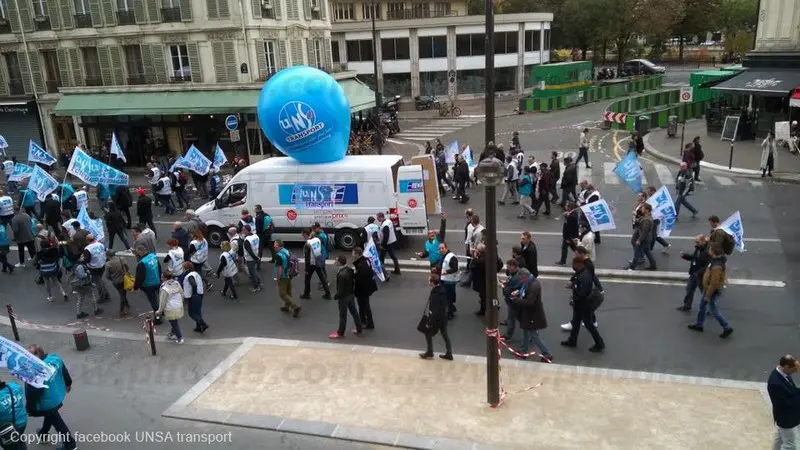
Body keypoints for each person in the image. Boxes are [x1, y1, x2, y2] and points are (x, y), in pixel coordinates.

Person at [25, 345, 76, 450]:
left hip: (47, 402)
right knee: (51, 416)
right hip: (57, 394)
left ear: (37, 355)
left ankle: (70, 445)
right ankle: (43, 434)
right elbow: (64, 370)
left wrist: (29, 408)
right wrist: (68, 384)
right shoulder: (54, 359)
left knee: (57, 421)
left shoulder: (36, 372)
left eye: (29, 356)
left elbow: (33, 393)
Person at [688, 247, 734, 338]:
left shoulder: (717, 266)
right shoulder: (714, 261)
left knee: (713, 310)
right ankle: (699, 324)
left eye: (710, 250)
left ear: (713, 252)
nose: (708, 251)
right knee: (702, 306)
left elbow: (714, 283)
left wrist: (708, 295)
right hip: (707, 288)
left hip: (711, 290)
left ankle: (726, 327)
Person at [561, 257, 605, 352]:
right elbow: (575, 280)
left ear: (579, 264)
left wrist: (573, 288)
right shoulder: (581, 272)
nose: (573, 266)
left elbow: (582, 293)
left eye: (574, 264)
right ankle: (572, 340)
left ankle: (599, 343)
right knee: (576, 323)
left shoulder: (584, 276)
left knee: (589, 325)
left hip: (584, 305)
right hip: (579, 305)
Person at [511, 268, 552, 362]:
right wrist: (518, 292)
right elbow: (524, 291)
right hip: (528, 313)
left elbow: (530, 302)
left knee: (533, 335)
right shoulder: (529, 281)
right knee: (525, 331)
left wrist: (516, 300)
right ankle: (523, 350)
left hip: (533, 314)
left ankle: (547, 354)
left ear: (525, 276)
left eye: (521, 279)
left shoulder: (534, 285)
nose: (521, 281)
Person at [767, 355, 800, 450]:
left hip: (785, 417)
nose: (795, 371)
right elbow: (786, 403)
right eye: (794, 369)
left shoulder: (783, 374)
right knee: (790, 445)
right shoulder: (775, 382)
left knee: (779, 439)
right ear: (786, 367)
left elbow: (792, 391)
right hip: (786, 418)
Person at [419, 273, 453, 361]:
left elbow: (435, 310)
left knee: (427, 333)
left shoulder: (435, 293)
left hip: (437, 319)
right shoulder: (441, 289)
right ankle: (449, 353)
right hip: (443, 317)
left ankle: (429, 352)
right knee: (444, 334)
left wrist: (430, 322)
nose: (428, 281)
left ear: (432, 283)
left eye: (429, 280)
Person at [329, 256, 362, 339]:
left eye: (336, 261)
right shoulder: (350, 270)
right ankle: (359, 328)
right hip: (350, 294)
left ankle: (340, 332)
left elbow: (341, 290)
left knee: (343, 315)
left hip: (343, 297)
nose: (335, 262)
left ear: (340, 262)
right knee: (354, 312)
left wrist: (336, 296)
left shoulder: (341, 275)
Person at [676, 235, 710, 312]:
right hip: (694, 273)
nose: (696, 244)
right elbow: (694, 258)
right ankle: (687, 306)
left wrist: (699, 273)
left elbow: (707, 265)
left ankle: (710, 309)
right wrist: (685, 256)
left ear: (703, 241)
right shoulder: (698, 248)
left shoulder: (707, 252)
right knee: (689, 290)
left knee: (704, 292)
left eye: (698, 242)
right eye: (696, 242)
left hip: (701, 276)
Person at [133, 244, 162, 324]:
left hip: (149, 285)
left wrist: (135, 287)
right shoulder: (153, 256)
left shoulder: (142, 263)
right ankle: (161, 312)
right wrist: (159, 278)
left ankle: (158, 318)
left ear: (140, 252)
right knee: (158, 299)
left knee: (154, 303)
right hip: (157, 281)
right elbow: (159, 268)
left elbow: (140, 278)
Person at [300, 229, 331, 300]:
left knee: (307, 280)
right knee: (322, 278)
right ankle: (328, 294)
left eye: (302, 235)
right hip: (318, 261)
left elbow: (307, 258)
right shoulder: (317, 239)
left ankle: (306, 294)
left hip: (311, 264)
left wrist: (306, 268)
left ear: (305, 234)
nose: (302, 236)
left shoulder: (307, 244)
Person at [274, 240, 301, 317]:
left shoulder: (279, 255)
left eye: (275, 245)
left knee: (282, 293)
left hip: (283, 276)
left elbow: (279, 268)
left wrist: (278, 278)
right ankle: (286, 306)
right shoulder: (287, 251)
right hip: (290, 274)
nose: (274, 247)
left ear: (279, 246)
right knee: (288, 291)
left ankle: (295, 307)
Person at [352, 246, 377, 330]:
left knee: (364, 306)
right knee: (364, 306)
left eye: (353, 253)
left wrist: (354, 275)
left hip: (362, 289)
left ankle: (368, 322)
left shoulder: (361, 265)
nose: (352, 254)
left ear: (357, 254)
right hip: (367, 287)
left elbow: (360, 278)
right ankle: (363, 320)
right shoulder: (366, 260)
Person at [81, 234, 111, 304]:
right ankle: (106, 294)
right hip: (102, 265)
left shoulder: (87, 248)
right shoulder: (100, 244)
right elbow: (106, 251)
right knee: (99, 280)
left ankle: (102, 297)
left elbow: (87, 260)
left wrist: (82, 260)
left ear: (87, 240)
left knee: (98, 282)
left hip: (94, 267)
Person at [157, 272, 185, 343]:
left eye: (162, 277)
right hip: (178, 306)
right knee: (175, 320)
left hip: (170, 308)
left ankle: (180, 338)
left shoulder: (164, 288)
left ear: (165, 278)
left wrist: (159, 311)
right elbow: (182, 293)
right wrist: (181, 302)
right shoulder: (176, 283)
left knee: (174, 323)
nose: (161, 278)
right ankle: (172, 333)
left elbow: (162, 301)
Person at [627, 203, 656, 271]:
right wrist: (636, 216)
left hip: (644, 239)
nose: (641, 209)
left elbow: (644, 232)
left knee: (637, 253)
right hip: (646, 239)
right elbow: (639, 223)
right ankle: (653, 265)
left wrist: (639, 240)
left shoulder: (647, 220)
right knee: (647, 252)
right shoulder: (646, 217)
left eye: (643, 208)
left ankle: (632, 267)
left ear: (647, 210)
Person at [0, 377, 27, 449]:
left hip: (6, 429)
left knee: (11, 446)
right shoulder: (15, 386)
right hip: (22, 422)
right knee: (19, 440)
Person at [182, 261, 208, 334]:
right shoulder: (196, 273)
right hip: (200, 294)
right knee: (197, 312)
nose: (182, 269)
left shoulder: (190, 276)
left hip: (194, 296)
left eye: (183, 268)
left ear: (187, 269)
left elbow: (194, 284)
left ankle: (202, 323)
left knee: (191, 313)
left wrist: (194, 294)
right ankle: (199, 327)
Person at [105, 251, 131, 316]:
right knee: (123, 292)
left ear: (108, 256)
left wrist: (112, 279)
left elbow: (107, 276)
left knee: (122, 294)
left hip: (116, 282)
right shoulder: (121, 259)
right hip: (124, 279)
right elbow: (127, 267)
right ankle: (126, 303)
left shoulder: (108, 264)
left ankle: (121, 310)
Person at [438, 242, 459, 320]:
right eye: (439, 249)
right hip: (444, 279)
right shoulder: (444, 256)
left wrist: (447, 272)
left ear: (446, 248)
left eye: (442, 248)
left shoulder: (452, 257)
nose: (441, 250)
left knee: (448, 297)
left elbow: (455, 268)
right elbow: (442, 265)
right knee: (445, 296)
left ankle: (450, 313)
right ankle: (452, 309)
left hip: (449, 280)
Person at [376, 212, 401, 277]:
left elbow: (386, 236)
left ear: (381, 217)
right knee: (393, 256)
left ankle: (383, 273)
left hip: (387, 243)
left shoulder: (385, 225)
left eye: (377, 217)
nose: (377, 219)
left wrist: (382, 245)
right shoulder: (388, 221)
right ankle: (397, 270)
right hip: (392, 241)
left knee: (381, 258)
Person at [242, 225, 261, 292]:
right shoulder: (256, 236)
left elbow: (249, 251)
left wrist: (255, 258)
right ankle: (258, 282)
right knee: (254, 271)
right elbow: (259, 246)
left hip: (250, 258)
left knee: (252, 273)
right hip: (256, 255)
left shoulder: (247, 240)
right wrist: (258, 258)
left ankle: (256, 287)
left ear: (247, 230)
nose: (242, 231)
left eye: (243, 230)